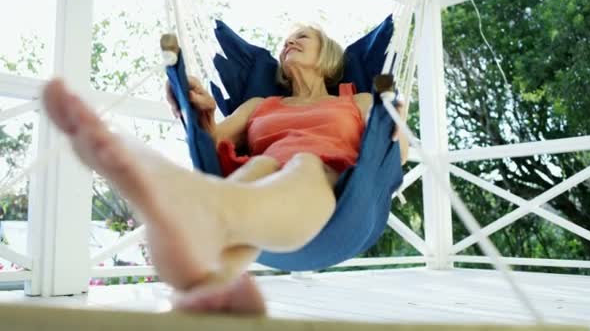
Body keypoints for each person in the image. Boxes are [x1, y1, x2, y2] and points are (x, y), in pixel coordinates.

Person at [42, 25, 408, 315]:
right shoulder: (260, 104)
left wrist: (397, 121)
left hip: (338, 195)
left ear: (327, 54)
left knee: (301, 163)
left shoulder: (357, 100)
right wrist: (194, 110)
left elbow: (397, 155)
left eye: (301, 37)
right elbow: (211, 140)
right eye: (284, 41)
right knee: (263, 163)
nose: (288, 43)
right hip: (265, 183)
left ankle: (193, 203)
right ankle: (212, 278)